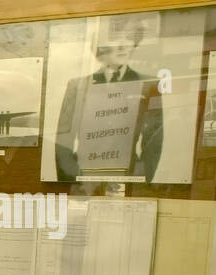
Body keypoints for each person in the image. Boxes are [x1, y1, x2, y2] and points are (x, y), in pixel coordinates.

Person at [54, 18, 164, 183]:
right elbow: (63, 141)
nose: (123, 46)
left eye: (129, 38)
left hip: (128, 177)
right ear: (100, 47)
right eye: (115, 39)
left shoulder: (149, 85)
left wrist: (138, 181)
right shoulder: (78, 85)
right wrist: (71, 181)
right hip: (84, 177)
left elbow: (153, 142)